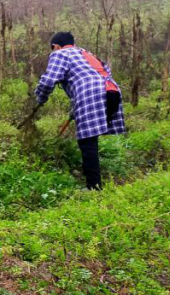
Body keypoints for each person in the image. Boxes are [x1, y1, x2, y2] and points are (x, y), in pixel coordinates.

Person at [34, 32, 125, 190]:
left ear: (55, 46)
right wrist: (75, 108)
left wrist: (40, 98)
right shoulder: (87, 54)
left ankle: (93, 187)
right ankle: (95, 180)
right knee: (91, 140)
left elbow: (49, 80)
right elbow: (94, 75)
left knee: (87, 142)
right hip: (112, 91)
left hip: (91, 93)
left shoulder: (60, 53)